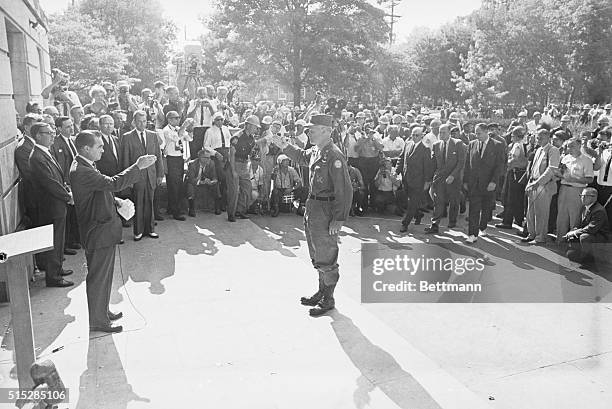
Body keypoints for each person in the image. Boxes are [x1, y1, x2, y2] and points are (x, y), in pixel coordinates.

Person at [71, 130, 158, 333]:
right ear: (86, 148)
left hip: (101, 229)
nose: (103, 149)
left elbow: (99, 191)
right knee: (98, 277)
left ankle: (102, 311)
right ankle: (98, 321)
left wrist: (115, 200)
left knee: (104, 276)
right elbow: (112, 183)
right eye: (99, 146)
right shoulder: (82, 170)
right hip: (98, 230)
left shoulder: (85, 164)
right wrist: (137, 167)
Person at [270, 114, 352, 317]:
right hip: (313, 206)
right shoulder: (317, 150)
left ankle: (328, 299)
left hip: (326, 210)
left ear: (326, 131)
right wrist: (284, 145)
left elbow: (344, 189)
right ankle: (321, 292)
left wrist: (338, 218)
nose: (308, 132)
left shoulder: (333, 155)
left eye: (312, 129)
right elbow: (300, 157)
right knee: (317, 254)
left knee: (327, 256)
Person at [28, 122, 74, 287]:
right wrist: (67, 196)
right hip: (51, 205)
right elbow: (49, 182)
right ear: (38, 136)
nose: (52, 135)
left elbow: (57, 178)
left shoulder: (45, 152)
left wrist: (66, 189)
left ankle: (57, 268)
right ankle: (53, 277)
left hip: (57, 204)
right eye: (48, 133)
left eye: (53, 132)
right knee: (55, 240)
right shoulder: (37, 157)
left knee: (59, 239)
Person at [120, 110, 165, 240]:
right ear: (134, 122)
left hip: (151, 175)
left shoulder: (152, 135)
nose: (142, 124)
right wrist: (129, 179)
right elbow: (126, 159)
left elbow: (158, 156)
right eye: (139, 121)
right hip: (137, 176)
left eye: (144, 121)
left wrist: (159, 174)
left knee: (150, 203)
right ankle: (138, 231)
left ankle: (150, 230)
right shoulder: (127, 137)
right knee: (138, 203)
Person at [463, 123, 505, 243]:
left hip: (489, 184)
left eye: (479, 133)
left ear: (486, 132)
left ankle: (483, 226)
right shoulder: (472, 144)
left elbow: (499, 165)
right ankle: (472, 234)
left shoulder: (498, 145)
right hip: (474, 184)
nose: (477, 135)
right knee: (473, 209)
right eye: (476, 133)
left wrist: (494, 181)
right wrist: (465, 180)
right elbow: (467, 164)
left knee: (486, 209)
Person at [424, 123, 466, 233]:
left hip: (454, 178)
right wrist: (429, 179)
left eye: (444, 132)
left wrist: (453, 175)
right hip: (440, 178)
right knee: (438, 201)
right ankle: (434, 225)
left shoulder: (458, 143)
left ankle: (452, 221)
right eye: (440, 132)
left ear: (449, 133)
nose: (441, 134)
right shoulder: (436, 145)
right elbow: (433, 163)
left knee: (454, 201)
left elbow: (461, 162)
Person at [522, 128, 560, 244]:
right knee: (530, 211)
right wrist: (530, 182)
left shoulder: (553, 150)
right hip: (533, 183)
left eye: (541, 138)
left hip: (544, 185)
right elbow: (533, 168)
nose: (538, 140)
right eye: (537, 137)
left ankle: (540, 237)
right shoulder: (538, 149)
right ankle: (531, 233)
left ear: (548, 138)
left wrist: (538, 182)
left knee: (541, 212)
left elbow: (551, 169)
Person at [556, 138, 594, 244]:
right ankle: (560, 239)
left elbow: (590, 179)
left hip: (577, 189)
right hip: (564, 188)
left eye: (572, 146)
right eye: (568, 146)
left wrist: (574, 179)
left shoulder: (586, 160)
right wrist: (558, 173)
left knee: (575, 216)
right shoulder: (565, 158)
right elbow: (561, 172)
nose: (569, 148)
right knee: (561, 215)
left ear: (579, 146)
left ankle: (573, 241)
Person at [397, 127, 433, 233]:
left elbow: (428, 167)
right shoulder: (408, 144)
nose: (414, 137)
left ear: (422, 136)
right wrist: (397, 170)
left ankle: (405, 223)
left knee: (413, 202)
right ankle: (418, 214)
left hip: (418, 181)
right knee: (410, 201)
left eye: (416, 135)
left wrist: (427, 181)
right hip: (406, 179)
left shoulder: (425, 149)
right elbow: (401, 158)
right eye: (412, 134)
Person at [564, 188, 610, 264]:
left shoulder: (599, 210)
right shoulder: (584, 207)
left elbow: (591, 228)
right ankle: (582, 254)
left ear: (594, 197)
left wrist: (575, 232)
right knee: (570, 254)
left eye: (585, 196)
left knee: (584, 237)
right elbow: (581, 225)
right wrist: (574, 231)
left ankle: (589, 260)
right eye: (581, 195)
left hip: (600, 236)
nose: (582, 198)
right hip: (589, 232)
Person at [162, 111, 193, 220]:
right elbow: (176, 137)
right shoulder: (166, 130)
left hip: (179, 158)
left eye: (179, 118)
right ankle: (176, 211)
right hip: (171, 158)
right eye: (175, 118)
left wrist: (188, 128)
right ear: (169, 119)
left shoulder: (178, 128)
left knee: (178, 184)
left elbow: (189, 138)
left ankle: (171, 207)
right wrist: (183, 126)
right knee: (174, 185)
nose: (178, 120)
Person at [185, 149, 220, 216]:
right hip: (196, 182)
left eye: (209, 157)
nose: (208, 159)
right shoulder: (192, 164)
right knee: (190, 186)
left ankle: (217, 207)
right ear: (200, 157)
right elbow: (191, 179)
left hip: (206, 181)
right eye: (206, 158)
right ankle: (191, 208)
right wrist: (200, 182)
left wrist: (212, 181)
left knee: (216, 185)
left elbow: (215, 177)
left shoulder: (211, 163)